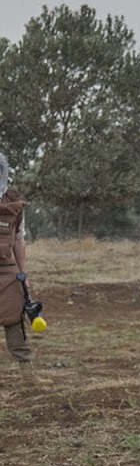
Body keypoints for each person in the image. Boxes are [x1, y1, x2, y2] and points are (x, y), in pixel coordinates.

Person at [0, 151, 43, 384]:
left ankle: (28, 375)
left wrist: (22, 273)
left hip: (7, 268)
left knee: (15, 315)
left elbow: (18, 239)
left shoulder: (14, 204)